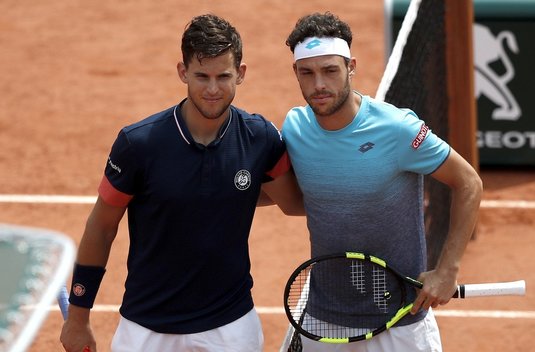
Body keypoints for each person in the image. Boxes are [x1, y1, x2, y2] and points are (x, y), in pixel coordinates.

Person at [60, 14, 303, 352]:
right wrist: (77, 320)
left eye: (224, 76)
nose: (213, 89)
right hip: (146, 327)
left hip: (231, 325)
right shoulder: (138, 144)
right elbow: (101, 228)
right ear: (182, 72)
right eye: (202, 76)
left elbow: (293, 202)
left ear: (241, 74)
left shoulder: (259, 138)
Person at [282, 12, 483, 352]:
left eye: (330, 70)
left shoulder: (398, 129)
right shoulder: (294, 130)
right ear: (296, 74)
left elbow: (468, 182)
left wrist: (447, 269)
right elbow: (290, 197)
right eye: (308, 72)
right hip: (324, 319)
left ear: (351, 66)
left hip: (401, 320)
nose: (319, 85)